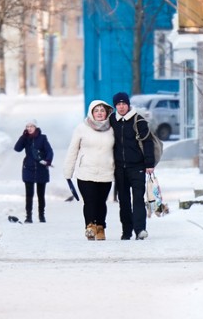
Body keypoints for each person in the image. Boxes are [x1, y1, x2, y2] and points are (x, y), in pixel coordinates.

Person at [64, 100, 115, 240]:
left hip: (106, 172)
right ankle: (90, 226)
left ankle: (100, 228)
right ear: (91, 113)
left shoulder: (112, 129)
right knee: (89, 201)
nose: (99, 113)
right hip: (86, 172)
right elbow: (73, 150)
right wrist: (68, 171)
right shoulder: (82, 128)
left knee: (101, 202)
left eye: (102, 110)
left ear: (107, 112)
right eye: (96, 110)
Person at [109, 91, 155, 240]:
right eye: (118, 104)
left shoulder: (138, 120)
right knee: (123, 201)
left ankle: (140, 229)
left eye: (124, 104)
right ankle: (126, 231)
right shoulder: (112, 121)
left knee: (138, 198)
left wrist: (149, 163)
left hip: (137, 167)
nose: (121, 107)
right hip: (119, 168)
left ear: (128, 105)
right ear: (115, 106)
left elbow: (148, 143)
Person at [14, 118, 54, 223]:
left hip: (41, 169)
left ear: (36, 127)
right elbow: (17, 148)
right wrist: (23, 137)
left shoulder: (42, 138)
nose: (29, 128)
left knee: (41, 194)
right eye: (27, 126)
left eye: (31, 126)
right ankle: (29, 216)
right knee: (29, 194)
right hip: (28, 168)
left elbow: (49, 151)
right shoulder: (25, 139)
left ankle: (41, 215)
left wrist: (48, 161)